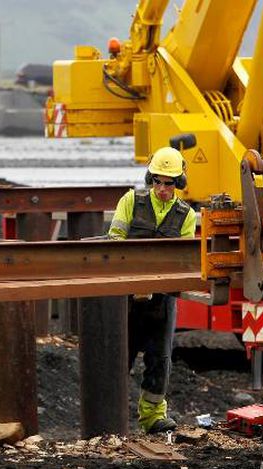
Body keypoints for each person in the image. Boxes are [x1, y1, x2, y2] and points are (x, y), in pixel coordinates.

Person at [108, 146, 197, 434]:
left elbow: (185, 259)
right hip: (127, 297)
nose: (161, 188)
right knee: (120, 355)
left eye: (168, 183)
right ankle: (110, 416)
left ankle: (152, 417)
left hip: (162, 299)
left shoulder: (185, 215)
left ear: (178, 183)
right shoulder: (131, 201)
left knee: (160, 359)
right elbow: (114, 242)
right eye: (157, 181)